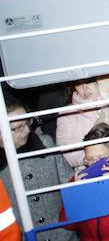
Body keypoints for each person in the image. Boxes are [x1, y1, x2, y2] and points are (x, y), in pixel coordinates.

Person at [0, 98, 75, 241]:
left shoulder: (45, 144)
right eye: (18, 127)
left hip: (65, 235)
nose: (28, 130)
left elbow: (69, 181)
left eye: (27, 122)